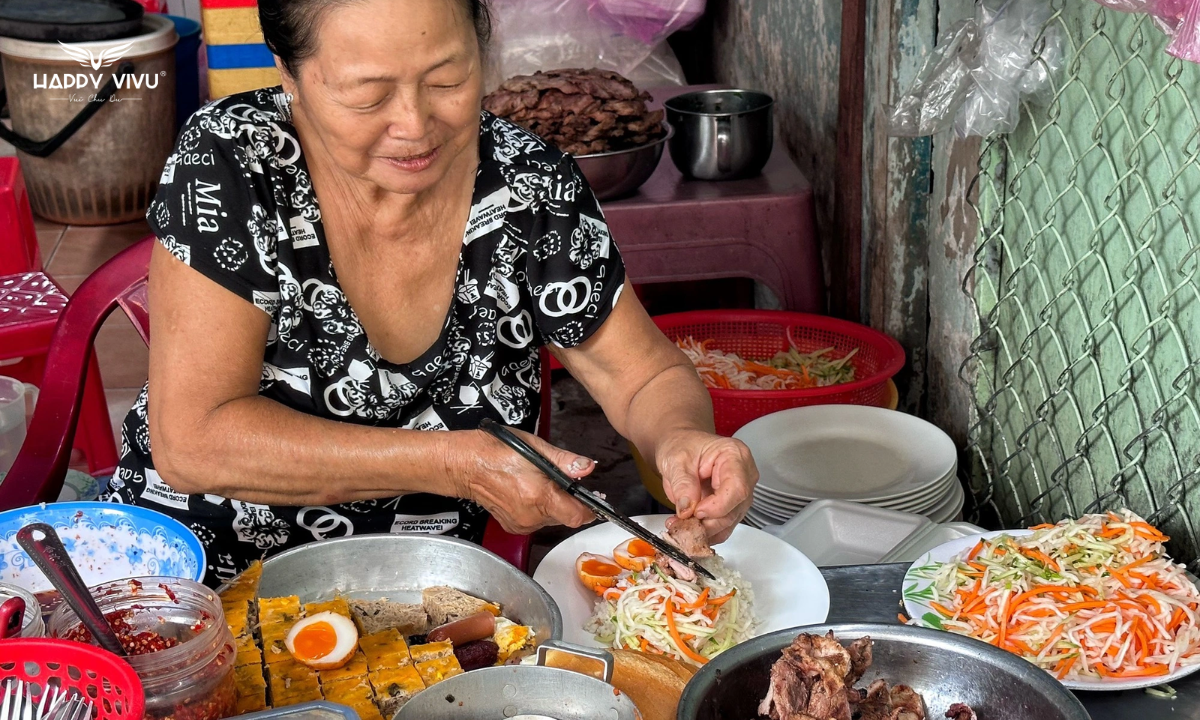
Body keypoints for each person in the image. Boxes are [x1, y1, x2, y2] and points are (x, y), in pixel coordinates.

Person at [104, 0, 757, 586]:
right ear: (290, 74)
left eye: (447, 79)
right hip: (200, 581)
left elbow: (641, 374)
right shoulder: (232, 162)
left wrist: (682, 442)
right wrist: (452, 464)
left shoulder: (529, 184)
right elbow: (193, 441)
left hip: (427, 590)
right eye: (368, 95)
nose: (415, 126)